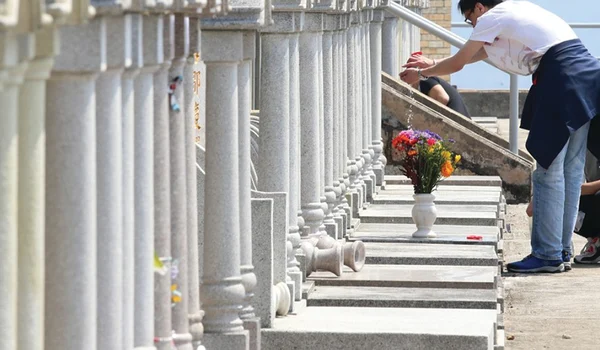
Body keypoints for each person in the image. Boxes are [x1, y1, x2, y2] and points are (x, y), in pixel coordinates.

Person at [401, 0, 600, 273]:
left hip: (561, 79)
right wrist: (434, 63)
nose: (473, 26)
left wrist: (423, 72)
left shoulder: (493, 17)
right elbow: (478, 53)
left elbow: (459, 62)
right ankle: (561, 250)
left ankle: (547, 254)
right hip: (586, 76)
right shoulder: (517, 11)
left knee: (548, 171)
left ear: (480, 8)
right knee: (570, 170)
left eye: (471, 20)